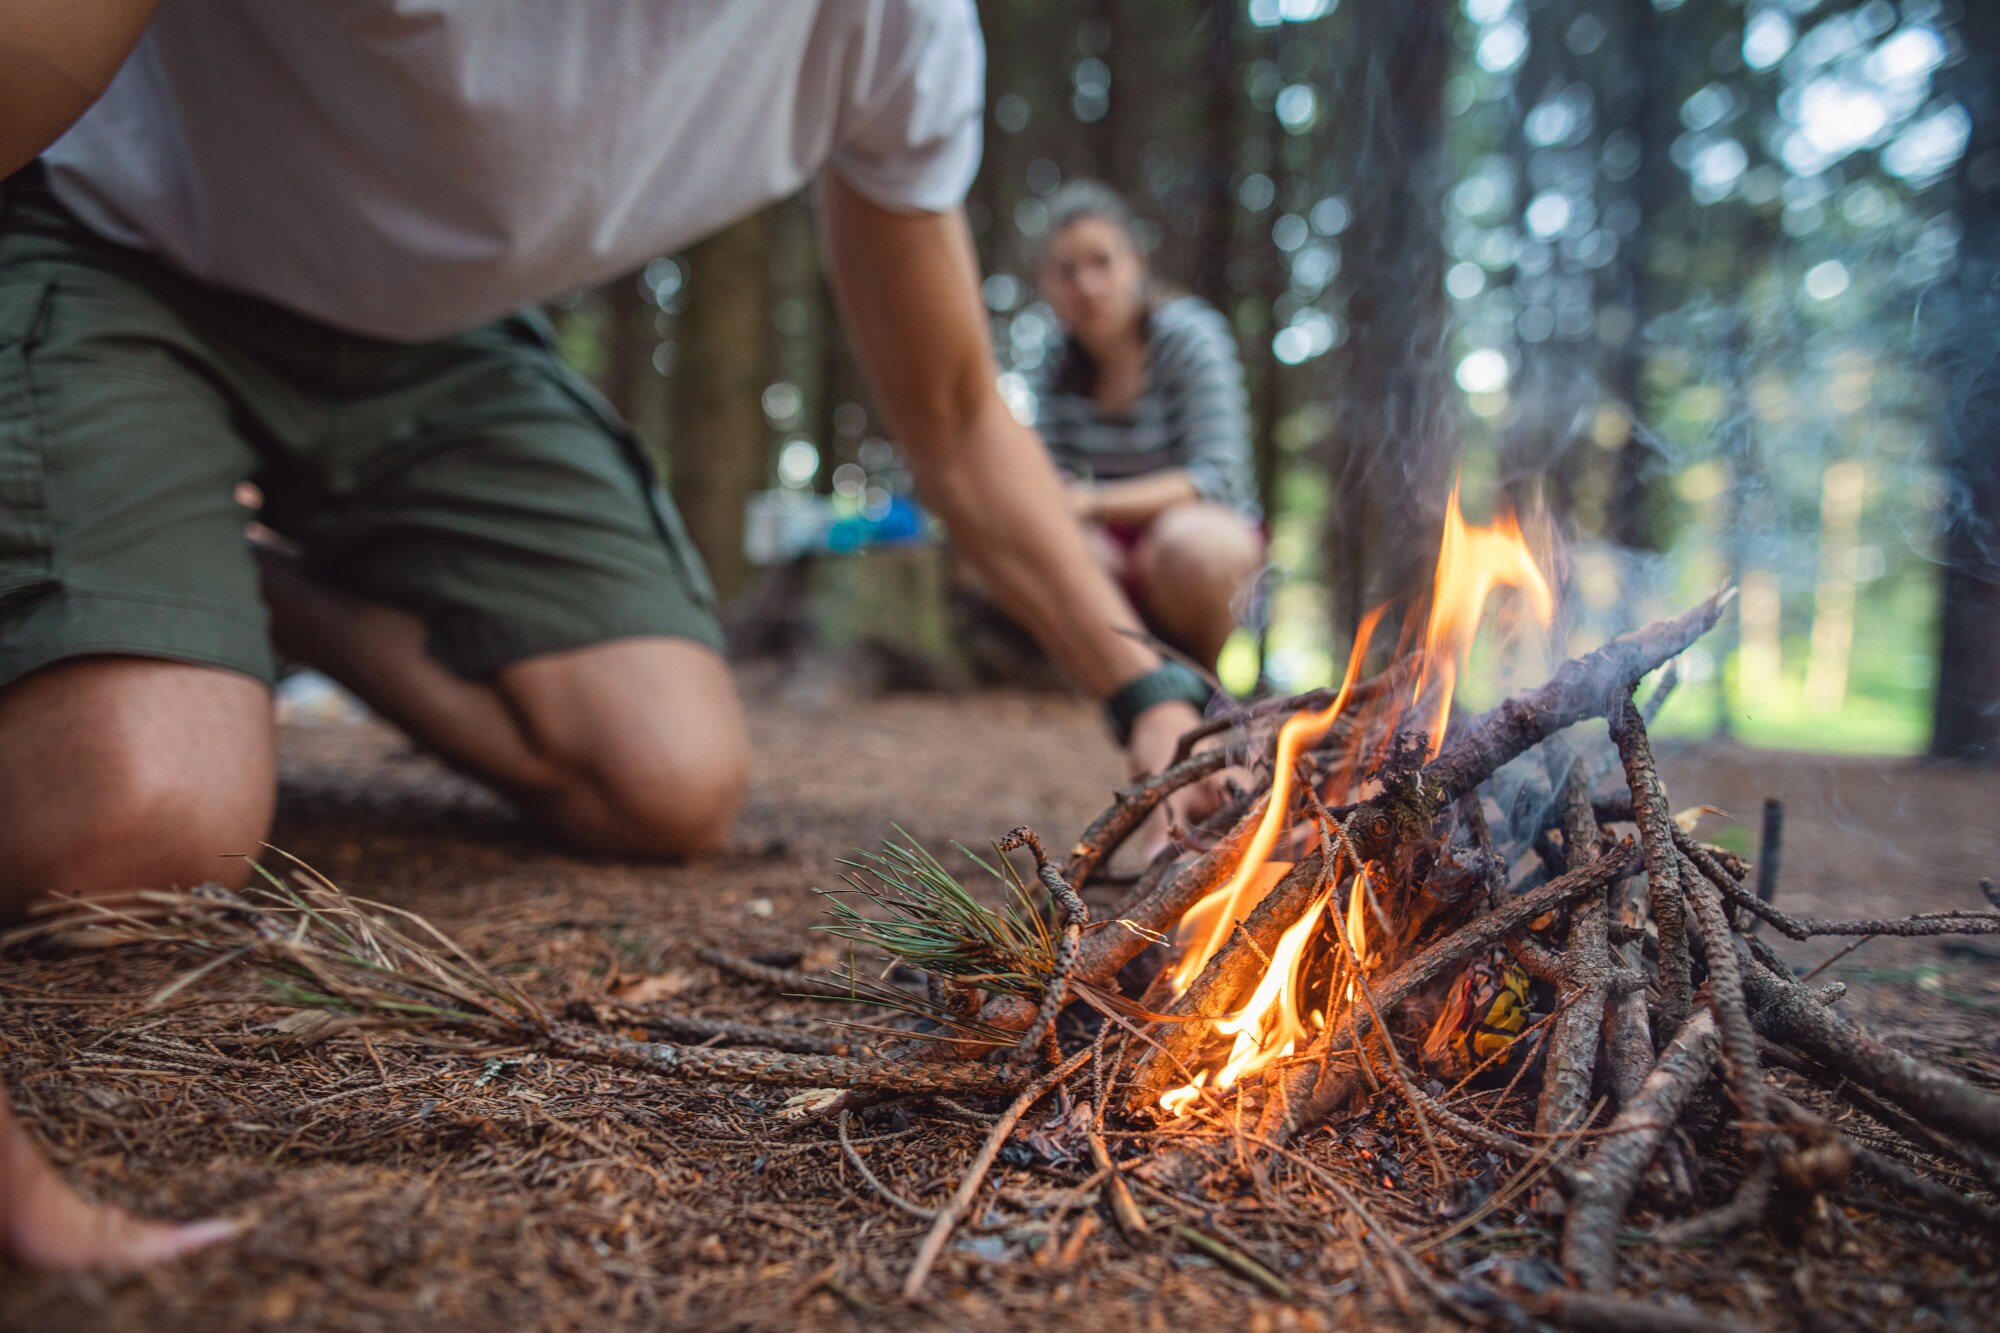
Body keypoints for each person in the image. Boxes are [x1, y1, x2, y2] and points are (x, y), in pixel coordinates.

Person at [0, 0, 1221, 1268]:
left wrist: (1144, 686)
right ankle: (150, 578)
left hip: (445, 342)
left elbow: (957, 412)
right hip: (120, 250)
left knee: (667, 778)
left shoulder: (891, 24)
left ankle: (241, 575)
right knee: (129, 831)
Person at [1031, 183, 1267, 672]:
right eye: (1067, 271)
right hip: (1112, 550)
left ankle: (1202, 686)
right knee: (1046, 550)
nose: (1087, 286)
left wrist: (1093, 503)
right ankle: (1127, 686)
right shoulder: (1055, 365)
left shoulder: (1188, 337)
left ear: (1136, 263)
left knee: (1194, 549)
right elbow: (1051, 483)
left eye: (1102, 262)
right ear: (1047, 286)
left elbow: (1216, 480)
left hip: (1198, 541)